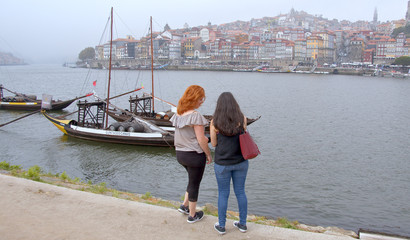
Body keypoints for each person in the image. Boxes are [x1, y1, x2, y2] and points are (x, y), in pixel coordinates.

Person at [170, 85, 212, 224]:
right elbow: (201, 140)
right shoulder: (196, 116)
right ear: (194, 99)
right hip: (194, 155)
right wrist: (208, 154)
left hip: (180, 155)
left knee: (191, 180)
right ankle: (193, 215)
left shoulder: (178, 115)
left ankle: (184, 206)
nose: (202, 101)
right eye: (200, 99)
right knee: (195, 184)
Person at [210, 92, 249, 235]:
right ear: (235, 104)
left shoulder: (215, 122)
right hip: (241, 162)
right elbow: (244, 137)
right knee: (240, 192)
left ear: (219, 106)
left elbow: (214, 143)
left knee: (223, 194)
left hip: (222, 164)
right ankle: (243, 224)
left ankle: (221, 226)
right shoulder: (242, 119)